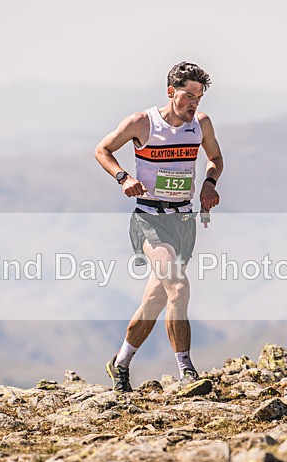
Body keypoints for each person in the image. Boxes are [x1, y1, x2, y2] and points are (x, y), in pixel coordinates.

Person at [94, 61, 224, 392]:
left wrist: (209, 183)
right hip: (149, 220)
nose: (194, 103)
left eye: (199, 96)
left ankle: (119, 363)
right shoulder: (142, 123)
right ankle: (187, 371)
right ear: (171, 92)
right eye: (188, 95)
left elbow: (216, 159)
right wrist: (123, 177)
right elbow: (103, 149)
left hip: (183, 220)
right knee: (178, 288)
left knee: (154, 300)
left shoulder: (201, 124)